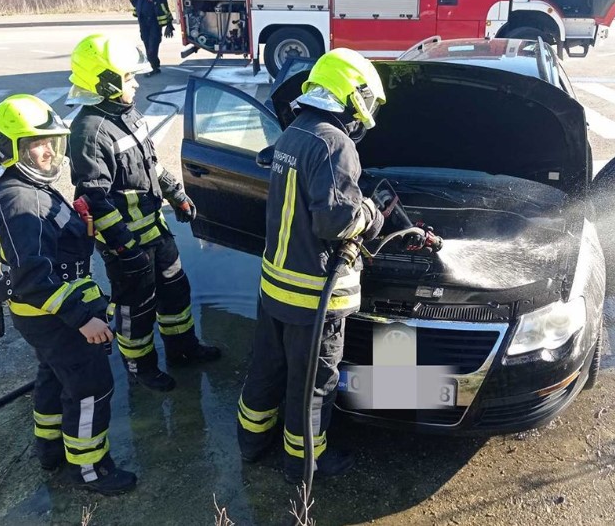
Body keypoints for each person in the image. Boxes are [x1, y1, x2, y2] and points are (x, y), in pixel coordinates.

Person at [236, 48, 387, 483]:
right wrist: (371, 214)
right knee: (312, 386)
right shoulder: (335, 143)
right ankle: (304, 465)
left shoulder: (294, 132)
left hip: (275, 288)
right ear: (353, 94)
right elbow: (335, 222)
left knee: (266, 369)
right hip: (312, 296)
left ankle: (251, 444)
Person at [0, 94, 136, 495]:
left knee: (53, 376)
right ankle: (91, 469)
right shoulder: (21, 199)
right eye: (37, 144)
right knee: (90, 389)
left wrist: (77, 225)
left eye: (51, 142)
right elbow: (34, 277)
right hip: (55, 315)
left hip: (45, 314)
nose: (48, 151)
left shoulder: (22, 184)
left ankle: (50, 450)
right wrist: (82, 319)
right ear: (8, 148)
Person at [66, 33, 220, 393]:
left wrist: (176, 194)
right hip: (128, 245)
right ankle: (141, 368)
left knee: (175, 292)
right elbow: (94, 199)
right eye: (127, 77)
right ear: (105, 82)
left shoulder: (128, 114)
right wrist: (124, 248)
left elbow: (150, 164)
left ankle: (183, 350)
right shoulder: (89, 132)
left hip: (155, 231)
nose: (134, 83)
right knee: (136, 308)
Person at [124, 0, 174, 77]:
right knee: (146, 42)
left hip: (155, 21)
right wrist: (135, 3)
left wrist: (169, 24)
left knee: (153, 44)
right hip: (143, 20)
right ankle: (154, 66)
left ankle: (154, 67)